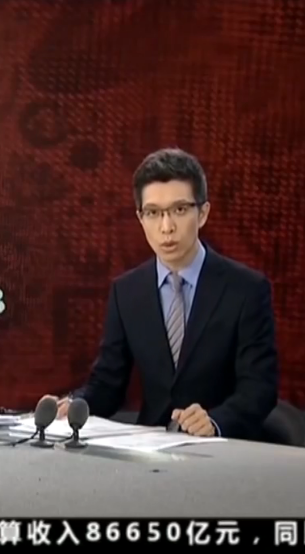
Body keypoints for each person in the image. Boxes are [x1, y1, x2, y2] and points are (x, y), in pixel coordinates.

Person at [44, 148, 278, 440]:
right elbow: (108, 384)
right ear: (140, 218)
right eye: (153, 213)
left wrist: (215, 421)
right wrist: (75, 405)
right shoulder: (127, 292)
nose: (166, 227)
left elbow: (259, 387)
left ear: (203, 213)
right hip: (150, 447)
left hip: (222, 449)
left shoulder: (246, 289)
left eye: (179, 210)